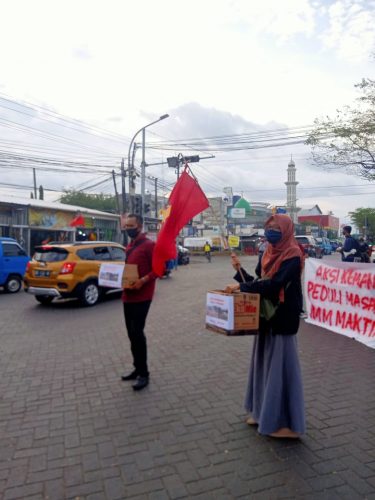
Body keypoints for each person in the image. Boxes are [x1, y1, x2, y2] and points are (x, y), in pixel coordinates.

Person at [225, 214, 305, 438]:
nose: (271, 231)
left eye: (275, 227)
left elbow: (276, 284)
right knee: (263, 363)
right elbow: (261, 282)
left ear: (286, 230)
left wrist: (243, 288)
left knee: (280, 368)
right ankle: (262, 413)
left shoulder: (293, 254)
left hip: (283, 316)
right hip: (265, 314)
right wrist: (239, 272)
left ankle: (287, 424)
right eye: (268, 227)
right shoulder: (268, 252)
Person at [121, 214, 157, 391]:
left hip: (142, 296)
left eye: (131, 225)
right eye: (126, 225)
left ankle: (144, 374)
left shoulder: (149, 245)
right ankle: (137, 368)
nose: (128, 228)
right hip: (127, 296)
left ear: (140, 226)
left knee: (137, 334)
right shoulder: (130, 245)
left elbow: (159, 269)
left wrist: (142, 281)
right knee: (131, 335)